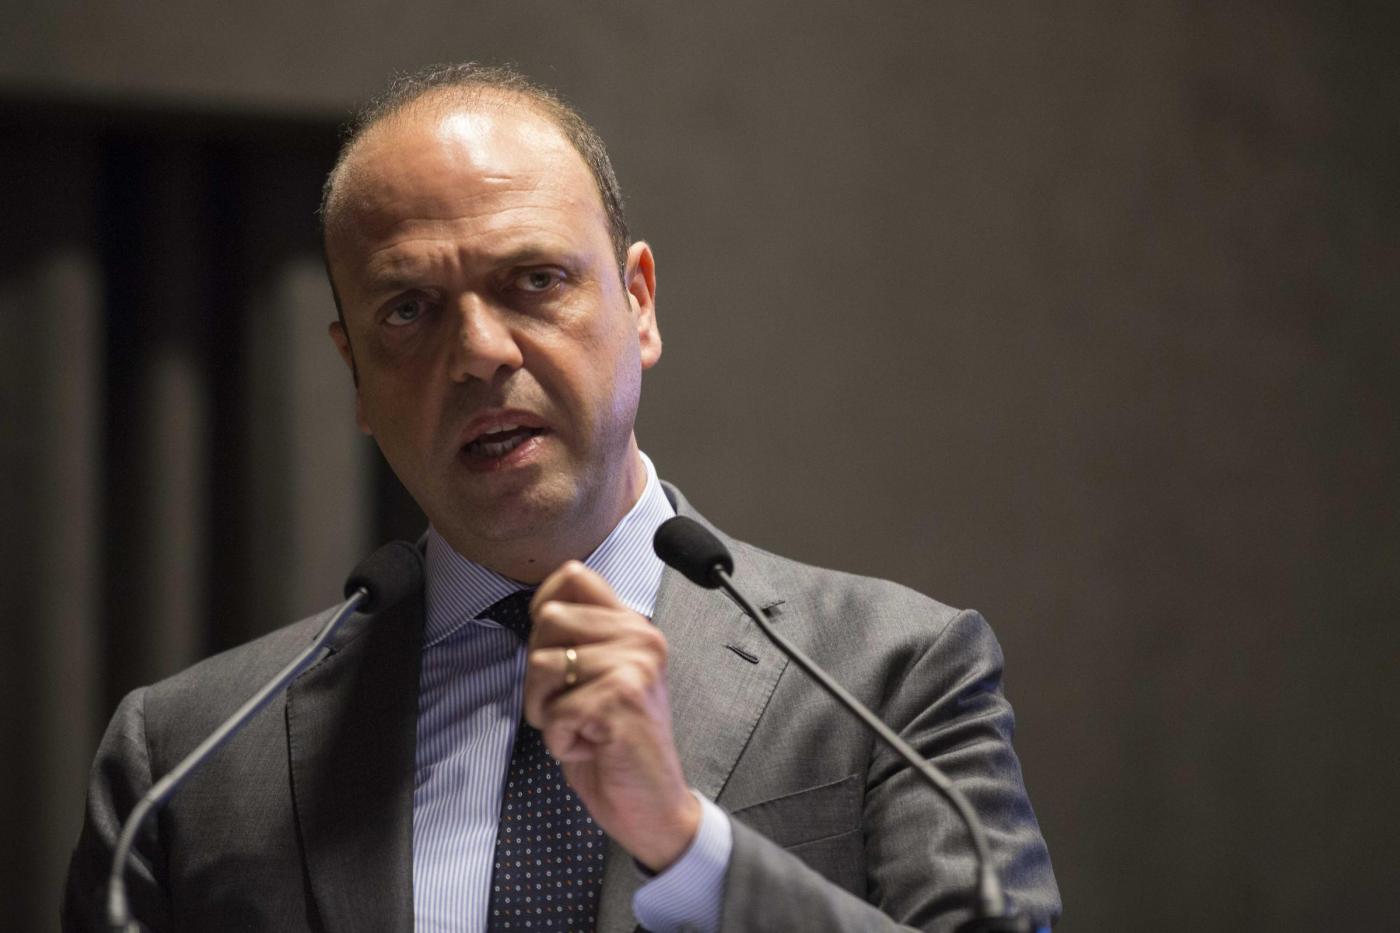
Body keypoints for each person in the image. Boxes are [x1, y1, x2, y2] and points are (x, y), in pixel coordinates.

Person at [63, 64, 1061, 932]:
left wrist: (686, 844)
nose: (478, 352)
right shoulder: (184, 763)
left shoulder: (893, 677)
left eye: (534, 280)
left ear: (639, 302)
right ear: (355, 374)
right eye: (408, 310)